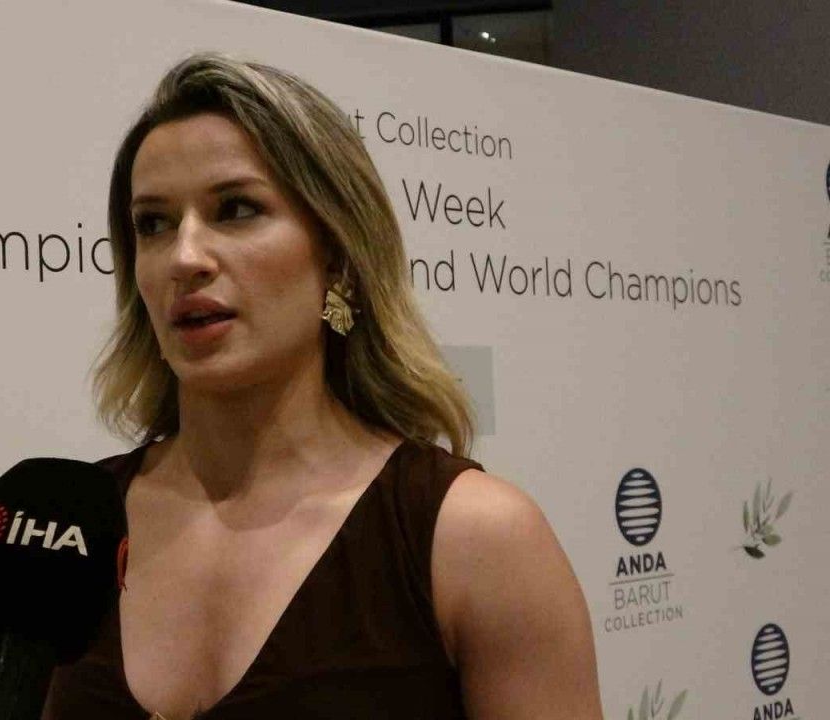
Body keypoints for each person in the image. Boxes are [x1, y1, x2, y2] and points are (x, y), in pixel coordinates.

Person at [43, 52, 602, 720]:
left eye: (236, 209)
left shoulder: (474, 538)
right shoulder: (68, 530)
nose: (184, 257)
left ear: (335, 253)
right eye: (153, 224)